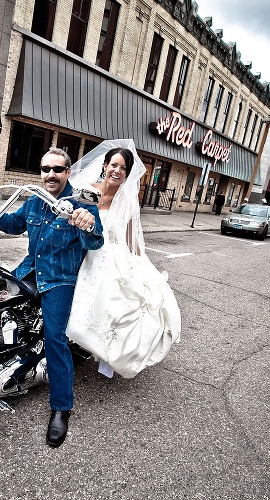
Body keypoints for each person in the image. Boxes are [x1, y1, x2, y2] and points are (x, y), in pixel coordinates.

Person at [0, 147, 103, 448]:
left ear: (68, 172)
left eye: (57, 169)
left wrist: (86, 223)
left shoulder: (80, 203)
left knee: (55, 337)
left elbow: (95, 241)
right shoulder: (35, 201)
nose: (50, 175)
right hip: (29, 270)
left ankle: (61, 408)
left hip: (60, 279)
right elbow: (10, 225)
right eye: (45, 169)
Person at [66, 139, 181, 379]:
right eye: (114, 165)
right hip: (82, 251)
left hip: (111, 257)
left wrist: (140, 264)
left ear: (127, 174)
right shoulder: (86, 188)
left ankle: (103, 352)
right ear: (105, 166)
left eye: (123, 168)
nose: (117, 171)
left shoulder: (127, 200)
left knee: (113, 306)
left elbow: (131, 239)